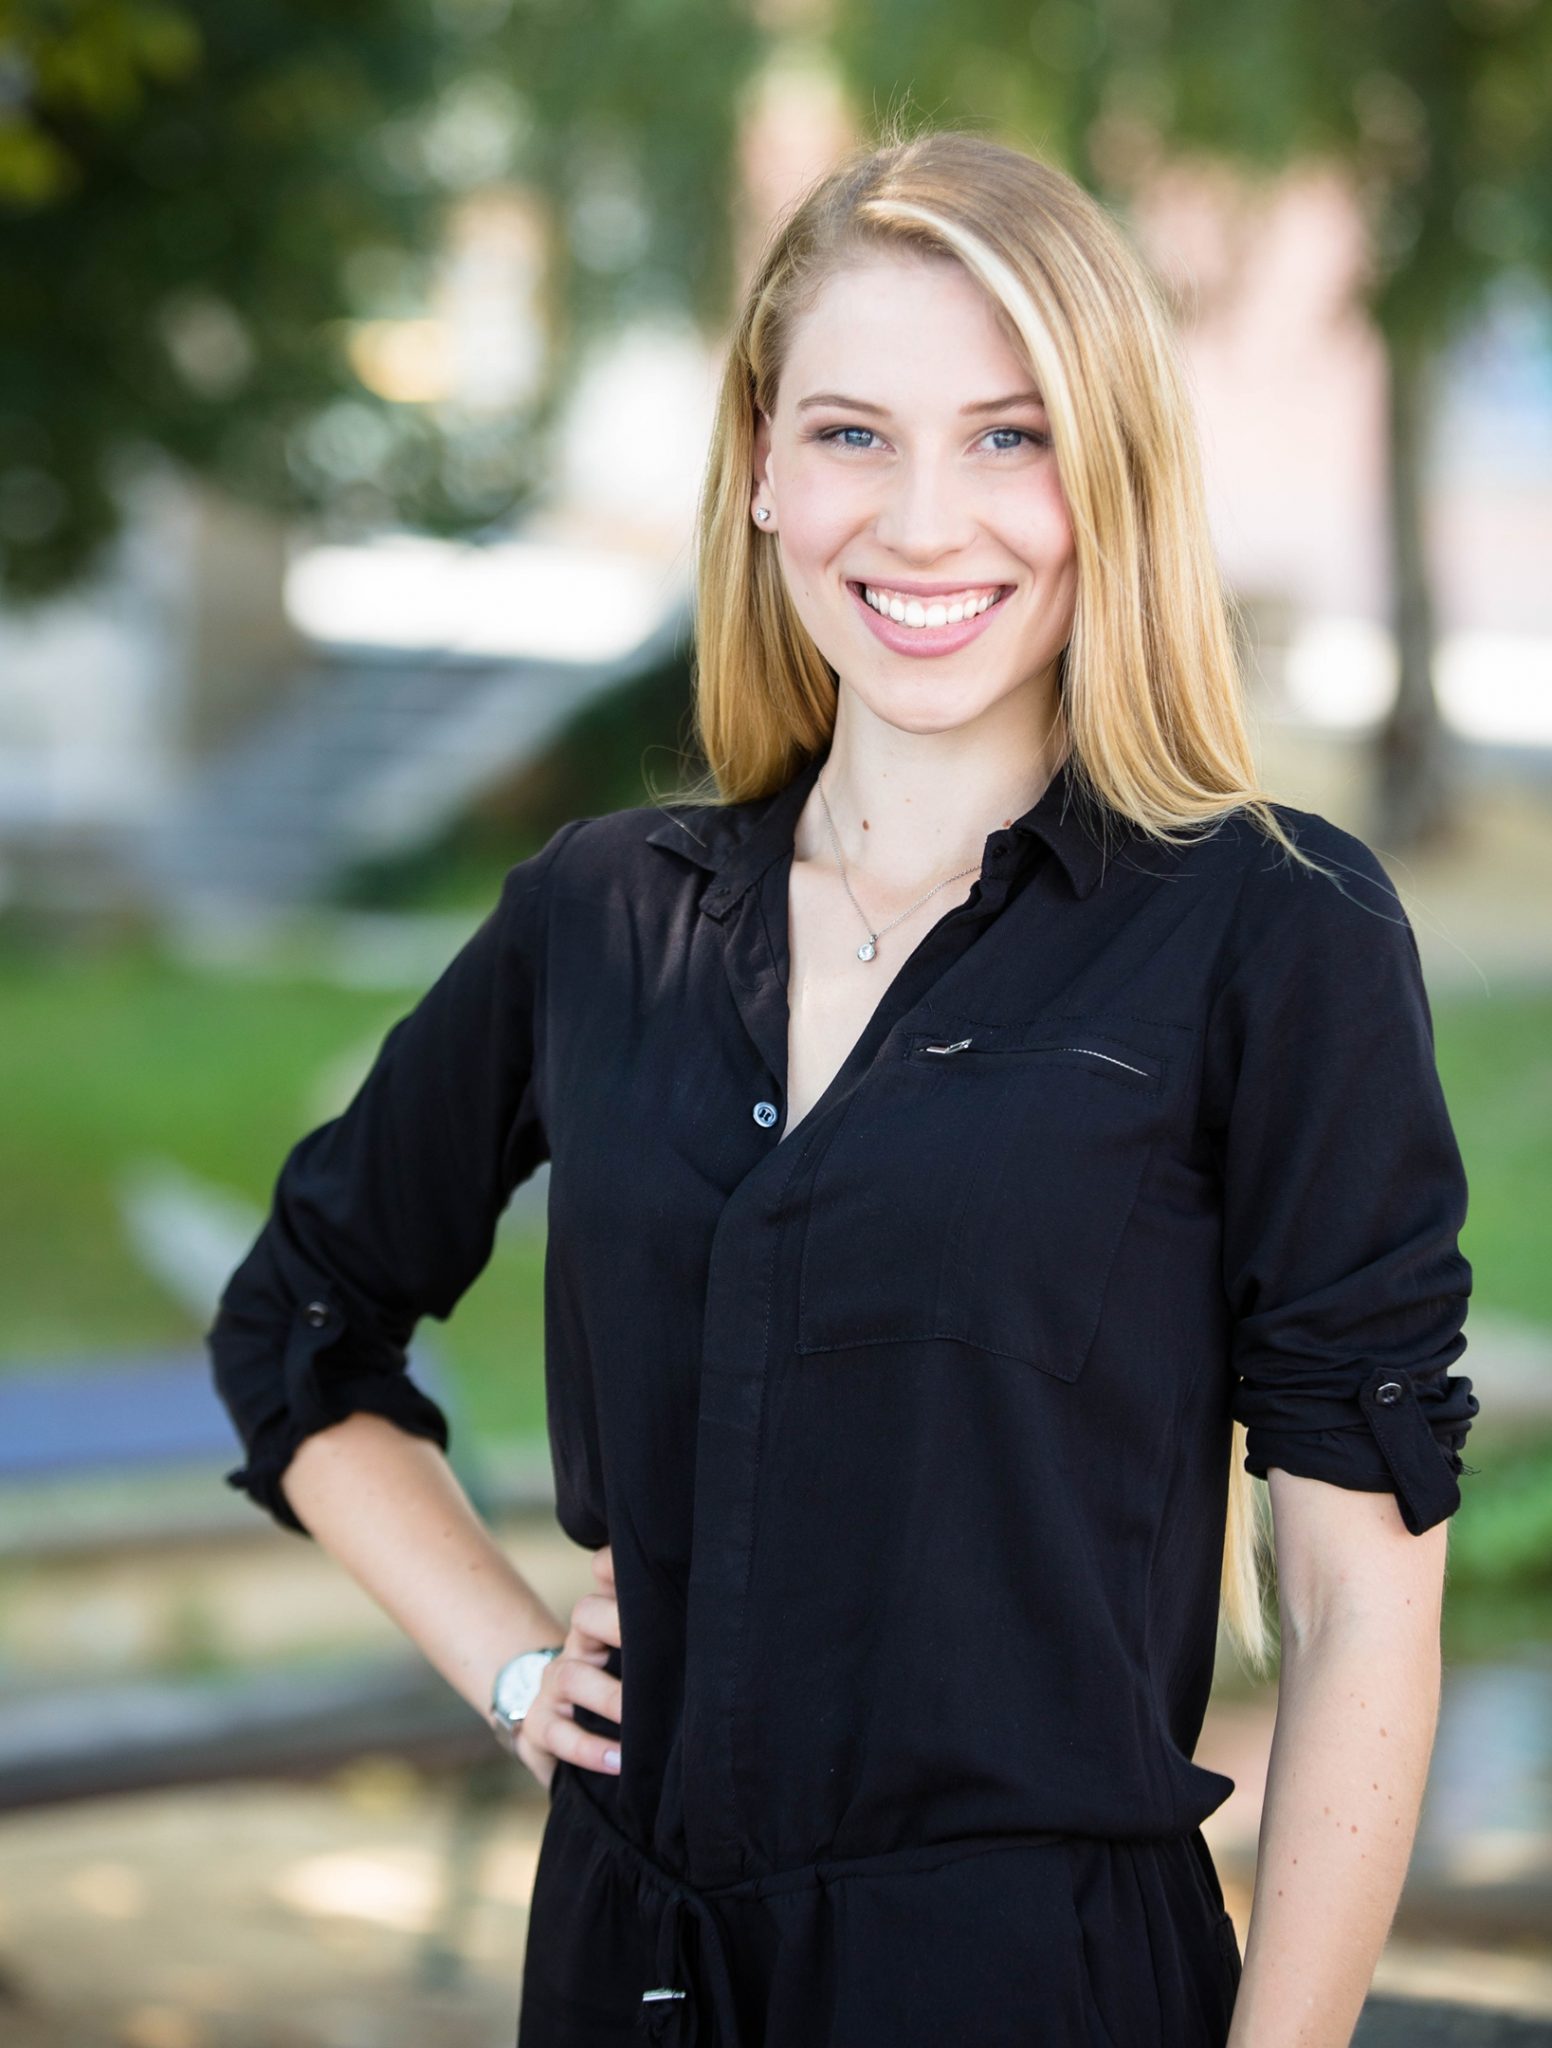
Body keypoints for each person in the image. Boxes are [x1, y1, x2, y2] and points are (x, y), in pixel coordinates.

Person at [206, 124, 1480, 2048]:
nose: (924, 521)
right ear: (762, 480)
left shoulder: (1272, 931)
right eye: (852, 434)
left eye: (1009, 434)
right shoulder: (600, 916)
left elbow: (1363, 1606)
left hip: (1031, 1992)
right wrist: (503, 1662)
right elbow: (299, 1322)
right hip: (628, 1974)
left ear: (1110, 478)